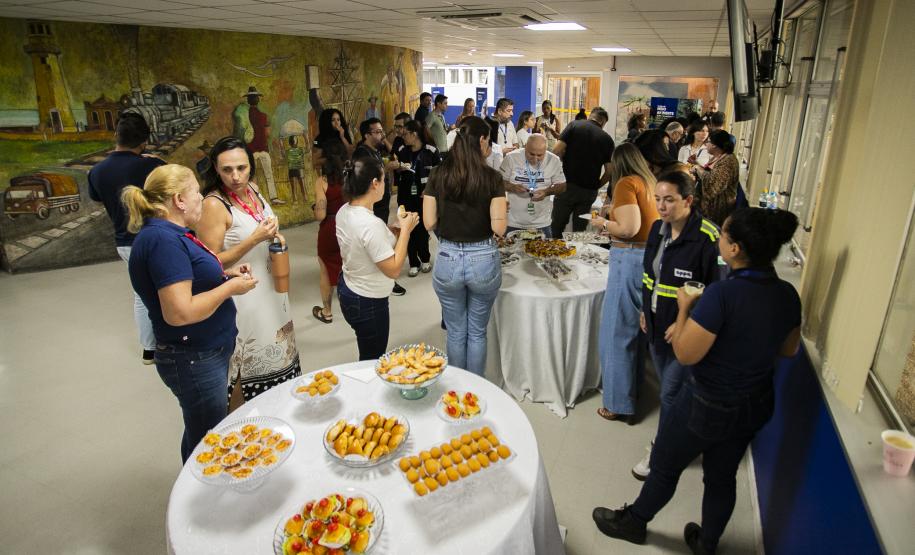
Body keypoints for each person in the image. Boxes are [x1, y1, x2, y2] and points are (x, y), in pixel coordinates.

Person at [592, 208, 802, 555]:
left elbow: (687, 354)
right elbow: (789, 348)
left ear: (734, 249)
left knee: (664, 465)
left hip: (707, 401)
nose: (718, 238)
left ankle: (634, 522)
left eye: (725, 235)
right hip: (755, 403)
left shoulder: (722, 296)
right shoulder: (786, 294)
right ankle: (708, 542)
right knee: (722, 476)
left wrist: (686, 307)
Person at [123, 164, 257, 462]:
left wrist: (224, 275)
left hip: (202, 351)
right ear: (178, 200)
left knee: (201, 427)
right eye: (196, 192)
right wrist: (230, 288)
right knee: (206, 441)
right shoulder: (163, 242)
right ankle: (199, 500)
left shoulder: (169, 234)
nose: (202, 198)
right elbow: (179, 313)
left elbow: (189, 278)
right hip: (193, 356)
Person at [631, 171, 726, 480]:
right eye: (658, 199)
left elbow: (717, 294)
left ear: (688, 200)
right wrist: (646, 310)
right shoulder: (658, 229)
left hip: (686, 332)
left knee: (670, 392)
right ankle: (685, 435)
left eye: (669, 200)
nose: (661, 207)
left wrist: (686, 324)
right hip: (656, 326)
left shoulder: (709, 238)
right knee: (671, 390)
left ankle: (662, 452)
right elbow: (650, 278)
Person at [197, 137, 301, 402]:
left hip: (272, 285)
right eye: (227, 170)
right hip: (244, 295)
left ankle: (277, 418)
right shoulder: (214, 204)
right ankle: (242, 430)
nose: (235, 176)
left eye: (241, 168)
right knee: (248, 365)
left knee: (279, 350)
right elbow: (209, 263)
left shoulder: (254, 190)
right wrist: (253, 240)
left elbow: (264, 225)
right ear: (215, 169)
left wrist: (274, 238)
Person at [424, 116, 507, 377]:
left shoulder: (438, 174)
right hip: (483, 258)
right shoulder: (492, 177)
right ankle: (476, 390)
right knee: (477, 332)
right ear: (481, 140)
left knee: (456, 331)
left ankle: (458, 390)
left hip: (448, 258)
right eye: (489, 140)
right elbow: (500, 229)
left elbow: (428, 221)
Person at [589, 143, 660, 422]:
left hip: (629, 258)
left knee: (616, 333)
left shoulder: (625, 183)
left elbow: (629, 229)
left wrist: (603, 223)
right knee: (636, 331)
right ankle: (633, 390)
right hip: (647, 258)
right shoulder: (648, 181)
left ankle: (617, 404)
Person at [88, 112, 165, 365]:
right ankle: (172, 339)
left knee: (142, 295)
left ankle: (149, 350)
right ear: (144, 140)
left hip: (124, 243)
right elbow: (174, 182)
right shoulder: (149, 165)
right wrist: (159, 161)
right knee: (168, 288)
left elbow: (98, 198)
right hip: (155, 239)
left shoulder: (97, 171)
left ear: (116, 137)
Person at [336, 157, 419, 360]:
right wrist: (406, 231)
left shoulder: (344, 211)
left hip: (348, 287)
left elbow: (366, 243)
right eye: (384, 180)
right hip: (368, 301)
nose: (385, 184)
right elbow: (393, 269)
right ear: (375, 183)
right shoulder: (370, 223)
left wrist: (393, 231)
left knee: (367, 348)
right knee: (372, 360)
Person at [353, 117, 407, 296]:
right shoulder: (362, 152)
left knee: (382, 239)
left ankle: (383, 276)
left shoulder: (374, 150)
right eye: (377, 132)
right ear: (367, 134)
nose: (381, 135)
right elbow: (368, 178)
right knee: (378, 242)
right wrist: (388, 168)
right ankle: (386, 278)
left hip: (381, 203)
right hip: (372, 205)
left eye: (382, 131)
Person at [550, 107, 614, 237]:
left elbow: (556, 151)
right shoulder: (607, 139)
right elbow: (609, 172)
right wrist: (596, 186)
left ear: (591, 116)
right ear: (603, 122)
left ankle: (551, 254)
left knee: (557, 226)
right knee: (579, 231)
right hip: (588, 191)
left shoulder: (574, 126)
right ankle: (576, 255)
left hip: (566, 185)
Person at [395, 120, 442, 276]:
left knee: (421, 228)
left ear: (414, 134)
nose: (403, 137)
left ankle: (425, 259)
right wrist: (398, 167)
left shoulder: (431, 151)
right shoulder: (402, 150)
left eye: (405, 134)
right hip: (405, 195)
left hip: (424, 196)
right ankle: (413, 262)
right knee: (407, 228)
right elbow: (397, 172)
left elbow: (440, 174)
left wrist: (431, 190)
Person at [500, 134, 566, 237]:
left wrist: (546, 192)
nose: (535, 159)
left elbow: (562, 186)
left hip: (541, 223)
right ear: (525, 146)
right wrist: (512, 187)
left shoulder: (554, 160)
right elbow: (498, 182)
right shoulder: (511, 158)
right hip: (512, 222)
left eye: (540, 155)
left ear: (546, 150)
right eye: (531, 154)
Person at [312, 140, 347, 324]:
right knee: (349, 268)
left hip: (329, 228)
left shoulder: (322, 181)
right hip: (348, 226)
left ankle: (327, 311)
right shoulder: (349, 179)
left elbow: (320, 214)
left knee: (325, 270)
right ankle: (352, 306)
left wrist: (315, 208)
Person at [693, 130, 740, 226]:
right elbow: (709, 173)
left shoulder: (728, 161)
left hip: (718, 212)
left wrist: (698, 169)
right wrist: (696, 165)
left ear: (715, 145)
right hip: (707, 209)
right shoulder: (717, 157)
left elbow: (713, 184)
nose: (706, 144)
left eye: (708, 141)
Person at [312, 108, 354, 172]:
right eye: (333, 120)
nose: (337, 123)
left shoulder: (344, 135)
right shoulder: (319, 139)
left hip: (346, 173)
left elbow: (351, 153)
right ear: (327, 121)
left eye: (338, 120)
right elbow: (315, 161)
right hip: (330, 174)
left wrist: (343, 138)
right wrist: (332, 159)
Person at [285, 135, 306, 202]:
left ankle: (299, 199)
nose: (294, 141)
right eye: (294, 140)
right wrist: (305, 138)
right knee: (298, 186)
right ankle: (300, 199)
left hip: (295, 169)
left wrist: (281, 144)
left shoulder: (288, 151)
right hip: (297, 169)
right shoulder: (300, 149)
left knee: (298, 186)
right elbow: (307, 149)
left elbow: (284, 157)